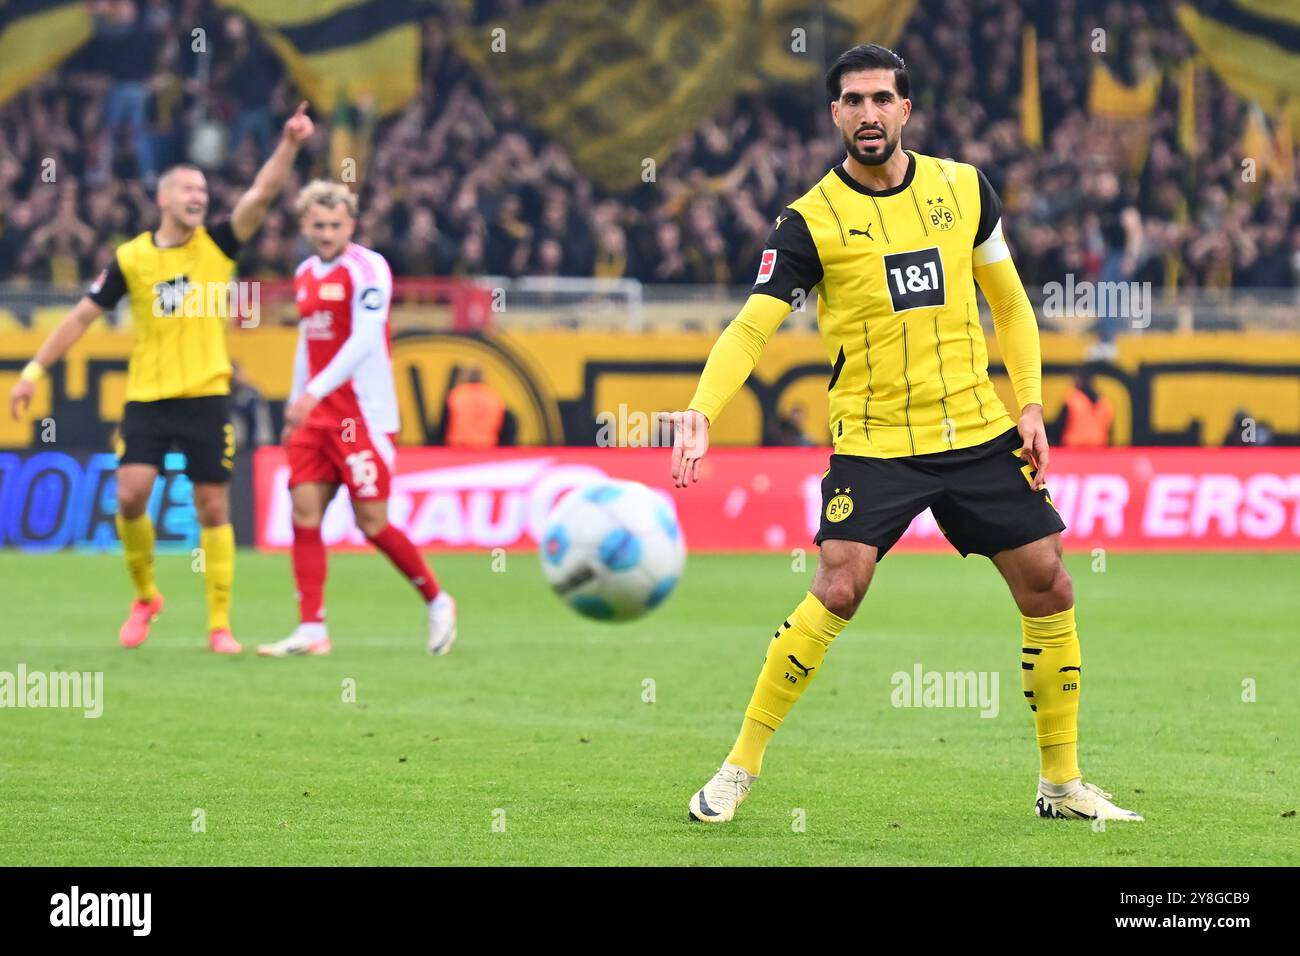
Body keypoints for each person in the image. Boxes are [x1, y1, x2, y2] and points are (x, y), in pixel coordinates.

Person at [659, 45, 1141, 825]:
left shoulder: (963, 189)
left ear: (906, 109)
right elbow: (752, 328)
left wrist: (1029, 404)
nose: (869, 113)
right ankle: (738, 768)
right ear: (835, 115)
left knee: (1049, 580)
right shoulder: (809, 221)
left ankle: (1061, 784)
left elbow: (1011, 306)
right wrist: (701, 411)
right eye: (852, 101)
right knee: (840, 585)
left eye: (882, 98)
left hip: (977, 430)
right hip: (877, 437)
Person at [9, 102, 315, 654]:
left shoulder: (218, 246)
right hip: (149, 397)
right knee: (130, 495)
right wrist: (32, 371)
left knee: (213, 509)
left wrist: (290, 144)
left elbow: (261, 195)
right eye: (188, 190)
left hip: (204, 395)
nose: (199, 197)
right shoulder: (132, 259)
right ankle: (146, 595)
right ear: (164, 199)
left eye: (203, 190)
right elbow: (81, 315)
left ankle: (220, 624)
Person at [257, 181, 457, 658]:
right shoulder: (305, 272)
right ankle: (311, 629)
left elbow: (366, 338)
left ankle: (436, 599)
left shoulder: (369, 268)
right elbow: (309, 343)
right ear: (304, 226)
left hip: (362, 415)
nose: (326, 233)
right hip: (314, 417)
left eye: (335, 225)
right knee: (304, 513)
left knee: (372, 523)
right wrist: (296, 404)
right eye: (318, 225)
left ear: (351, 223)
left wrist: (313, 392)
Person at [443, 365, 505, 449]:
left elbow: (446, 422)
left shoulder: (457, 395)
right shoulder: (493, 396)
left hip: (459, 446)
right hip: (486, 446)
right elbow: (502, 424)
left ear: (465, 377)